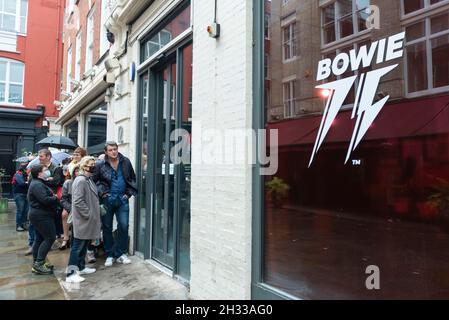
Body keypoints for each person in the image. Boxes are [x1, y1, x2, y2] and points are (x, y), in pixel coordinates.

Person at [94, 142, 137, 267]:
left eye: (115, 149)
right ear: (106, 152)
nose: (114, 152)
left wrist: (128, 194)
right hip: (107, 200)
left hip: (122, 199)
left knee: (124, 226)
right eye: (111, 150)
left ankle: (120, 253)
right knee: (107, 227)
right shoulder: (100, 164)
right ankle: (110, 254)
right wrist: (102, 193)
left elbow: (132, 178)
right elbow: (94, 182)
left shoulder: (126, 161)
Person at [65, 157, 101, 284]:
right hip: (83, 220)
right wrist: (89, 214)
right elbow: (78, 201)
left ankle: (80, 267)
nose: (94, 166)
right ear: (84, 166)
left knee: (83, 245)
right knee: (77, 247)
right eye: (91, 164)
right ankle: (71, 274)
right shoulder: (81, 180)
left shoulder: (88, 179)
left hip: (86, 220)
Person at [27, 164, 59, 275]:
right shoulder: (37, 184)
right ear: (39, 173)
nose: (47, 171)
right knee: (50, 238)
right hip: (41, 215)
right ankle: (39, 263)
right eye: (45, 170)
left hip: (39, 215)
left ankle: (37, 263)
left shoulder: (38, 183)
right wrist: (55, 197)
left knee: (39, 239)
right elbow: (45, 200)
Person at [34, 149, 65, 239]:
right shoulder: (37, 167)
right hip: (40, 197)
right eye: (39, 156)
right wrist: (48, 179)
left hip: (52, 198)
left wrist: (44, 180)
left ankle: (52, 236)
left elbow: (56, 182)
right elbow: (33, 180)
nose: (39, 158)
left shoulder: (56, 168)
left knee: (52, 218)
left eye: (41, 156)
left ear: (48, 157)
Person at [60, 165, 80, 250]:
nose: (78, 173)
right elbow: (63, 199)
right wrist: (70, 208)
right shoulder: (68, 183)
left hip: (82, 206)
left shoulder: (86, 182)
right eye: (76, 171)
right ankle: (66, 238)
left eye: (80, 170)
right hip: (70, 205)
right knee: (64, 214)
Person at [12, 162, 29, 232]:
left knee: (25, 210)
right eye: (27, 169)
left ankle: (23, 224)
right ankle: (19, 225)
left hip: (25, 194)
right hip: (19, 195)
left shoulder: (25, 175)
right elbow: (21, 183)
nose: (28, 170)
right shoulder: (18, 175)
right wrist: (27, 182)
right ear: (23, 169)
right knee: (20, 210)